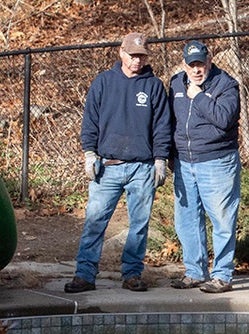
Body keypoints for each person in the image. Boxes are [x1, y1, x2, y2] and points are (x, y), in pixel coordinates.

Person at [65, 32, 171, 294]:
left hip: (142, 168)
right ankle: (85, 274)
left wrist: (160, 159)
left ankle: (132, 274)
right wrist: (89, 153)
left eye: (142, 56)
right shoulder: (103, 82)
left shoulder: (154, 86)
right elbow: (90, 120)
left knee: (139, 224)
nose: (137, 61)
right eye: (133, 55)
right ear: (121, 53)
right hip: (107, 167)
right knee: (94, 221)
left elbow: (162, 126)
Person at [167, 40, 241, 294]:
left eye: (201, 64)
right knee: (187, 221)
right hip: (184, 162)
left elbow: (223, 119)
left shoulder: (226, 85)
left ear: (210, 61)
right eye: (192, 65)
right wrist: (168, 155)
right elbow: (171, 121)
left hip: (217, 161)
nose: (197, 70)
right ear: (184, 65)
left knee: (222, 220)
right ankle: (195, 272)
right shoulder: (176, 83)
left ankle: (222, 275)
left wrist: (198, 96)